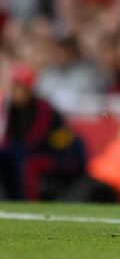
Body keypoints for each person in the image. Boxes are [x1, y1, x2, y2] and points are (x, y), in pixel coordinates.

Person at [0, 64, 86, 201]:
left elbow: (35, 140)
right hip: (25, 152)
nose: (16, 91)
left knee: (28, 164)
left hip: (54, 153)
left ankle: (27, 201)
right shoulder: (7, 107)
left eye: (20, 87)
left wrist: (11, 149)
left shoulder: (43, 109)